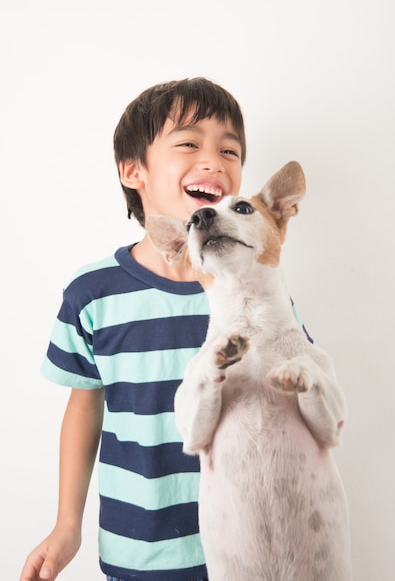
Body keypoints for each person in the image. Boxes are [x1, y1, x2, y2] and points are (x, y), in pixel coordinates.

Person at [20, 77, 308, 581]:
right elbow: (85, 405)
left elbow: (297, 391)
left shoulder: (259, 291)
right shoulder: (93, 294)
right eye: (190, 143)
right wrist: (68, 524)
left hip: (255, 544)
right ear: (134, 170)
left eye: (230, 149)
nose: (215, 160)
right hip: (141, 550)